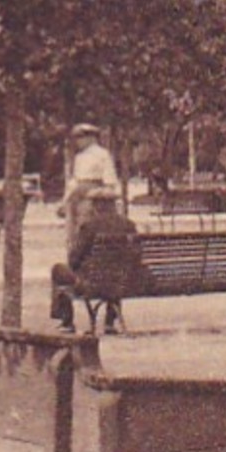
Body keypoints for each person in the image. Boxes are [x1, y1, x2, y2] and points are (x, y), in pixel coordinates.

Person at [51, 187, 145, 334]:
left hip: (93, 283)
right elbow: (136, 255)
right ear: (114, 205)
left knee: (58, 269)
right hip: (124, 283)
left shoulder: (89, 226)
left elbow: (74, 259)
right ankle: (109, 322)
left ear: (97, 206)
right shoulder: (128, 225)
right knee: (116, 272)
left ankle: (66, 320)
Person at [63, 122, 120, 254]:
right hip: (76, 196)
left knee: (87, 230)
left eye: (81, 137)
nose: (78, 141)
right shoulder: (79, 157)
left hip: (93, 197)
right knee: (72, 233)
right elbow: (75, 181)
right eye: (76, 137)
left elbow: (109, 181)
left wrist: (95, 194)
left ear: (91, 138)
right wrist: (66, 199)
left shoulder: (102, 155)